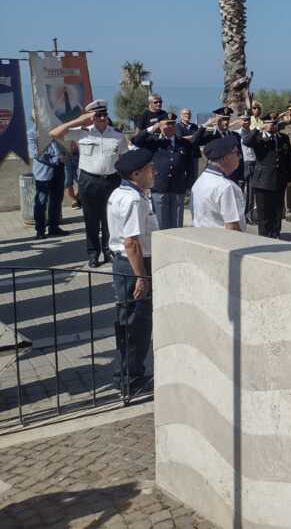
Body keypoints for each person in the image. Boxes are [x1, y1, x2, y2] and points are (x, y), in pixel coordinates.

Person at [49, 100, 127, 267]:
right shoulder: (81, 133)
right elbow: (54, 133)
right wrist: (79, 121)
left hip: (111, 180)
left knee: (110, 219)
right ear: (91, 117)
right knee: (91, 220)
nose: (102, 118)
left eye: (104, 114)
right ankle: (93, 254)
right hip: (89, 180)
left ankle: (109, 251)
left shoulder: (117, 135)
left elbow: (124, 159)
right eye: (97, 115)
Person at [107, 148, 158, 397]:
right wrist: (141, 276)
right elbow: (131, 243)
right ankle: (129, 380)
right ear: (136, 173)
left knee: (131, 322)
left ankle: (129, 374)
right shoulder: (133, 199)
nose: (154, 171)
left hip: (128, 262)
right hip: (133, 263)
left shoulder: (125, 193)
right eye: (150, 168)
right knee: (135, 324)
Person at [131, 112, 193, 229]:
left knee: (177, 226)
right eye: (167, 124)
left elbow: (190, 166)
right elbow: (136, 141)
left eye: (172, 124)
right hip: (159, 187)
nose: (170, 126)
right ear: (160, 125)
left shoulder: (184, 144)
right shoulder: (153, 142)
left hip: (178, 188)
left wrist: (188, 185)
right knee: (160, 226)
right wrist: (153, 128)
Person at [242, 113, 291, 239]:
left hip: (279, 179)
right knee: (264, 211)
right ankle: (264, 236)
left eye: (273, 123)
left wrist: (290, 178)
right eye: (269, 123)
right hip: (263, 181)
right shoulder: (258, 137)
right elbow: (246, 141)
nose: (271, 125)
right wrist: (258, 128)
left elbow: (289, 159)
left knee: (277, 210)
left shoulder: (283, 138)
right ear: (264, 123)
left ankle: (276, 233)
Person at [191, 137, 246, 231]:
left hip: (202, 238)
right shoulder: (226, 187)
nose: (240, 157)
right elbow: (232, 227)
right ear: (225, 158)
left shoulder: (200, 181)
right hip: (224, 242)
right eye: (237, 153)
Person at [28, 126, 67, 238]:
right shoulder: (32, 133)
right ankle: (40, 231)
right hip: (43, 172)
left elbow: (65, 145)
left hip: (59, 169)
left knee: (57, 200)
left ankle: (54, 228)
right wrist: (56, 159)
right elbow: (35, 153)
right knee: (41, 202)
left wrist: (65, 155)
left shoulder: (56, 129)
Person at [237, 113, 257, 225]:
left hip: (253, 162)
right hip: (242, 163)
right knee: (239, 190)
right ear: (240, 121)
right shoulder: (237, 133)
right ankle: (239, 215)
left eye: (247, 120)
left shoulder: (254, 132)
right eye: (243, 120)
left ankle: (248, 215)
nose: (246, 122)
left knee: (251, 191)